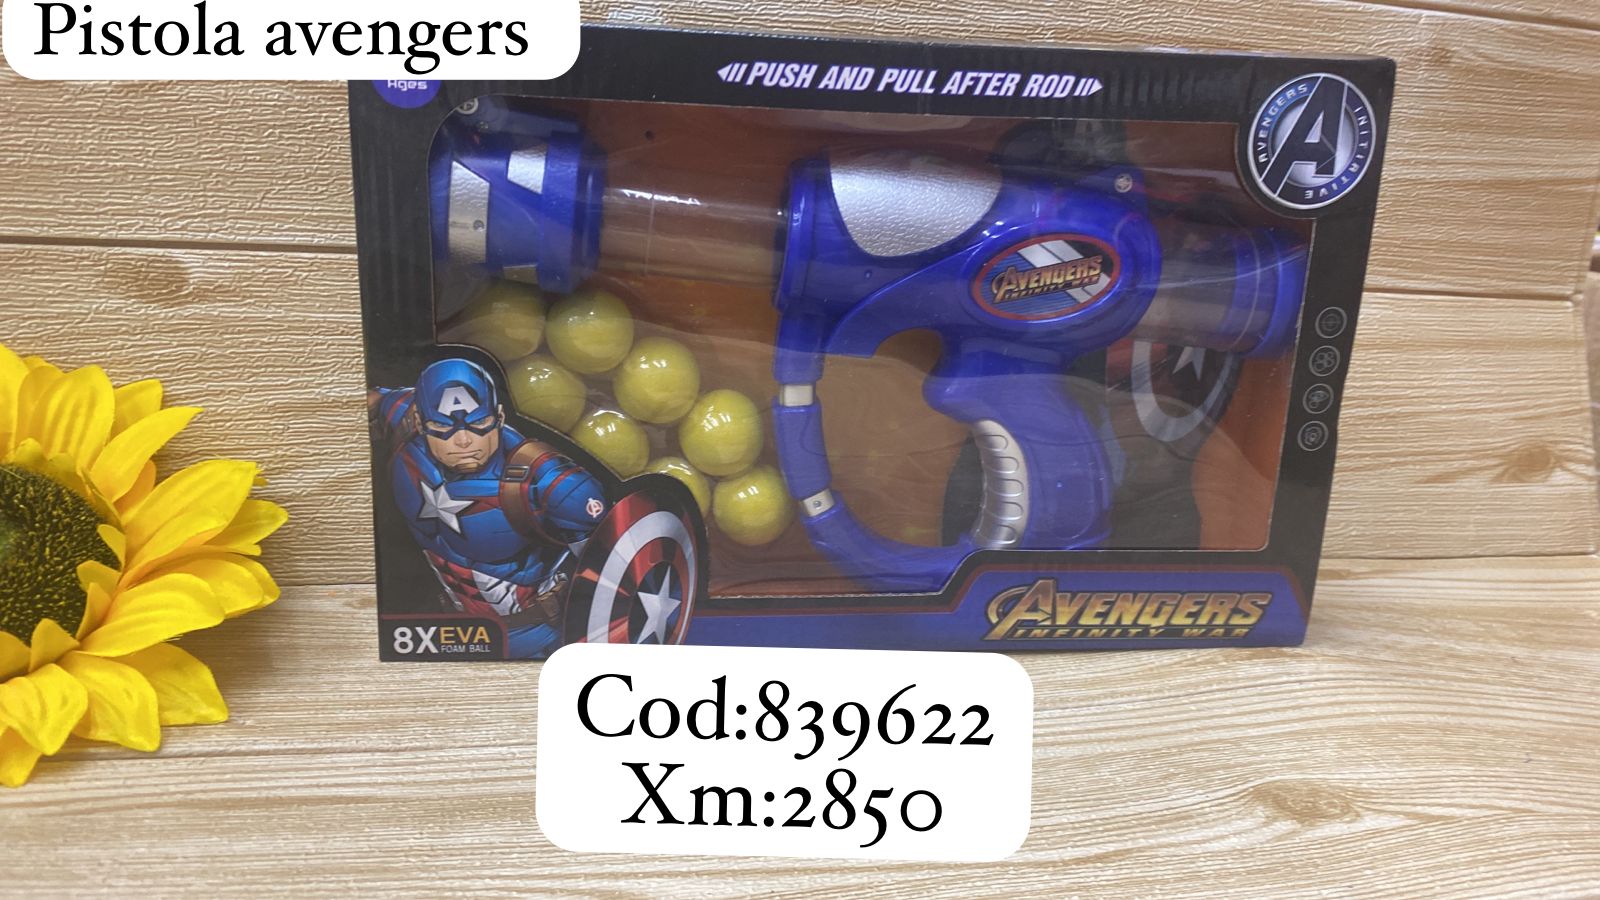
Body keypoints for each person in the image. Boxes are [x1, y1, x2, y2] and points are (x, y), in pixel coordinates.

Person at [370, 358, 607, 658]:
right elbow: (373, 400)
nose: (463, 440)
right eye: (442, 426)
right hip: (448, 632)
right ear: (420, 422)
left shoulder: (549, 483)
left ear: (499, 416)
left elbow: (614, 571)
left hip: (539, 642)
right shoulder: (405, 418)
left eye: (479, 423)